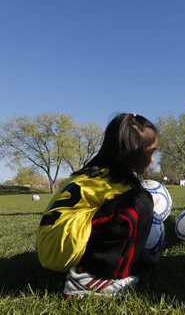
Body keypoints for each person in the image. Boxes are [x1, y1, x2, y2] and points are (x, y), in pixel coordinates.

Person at [36, 113, 160, 297]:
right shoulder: (117, 183)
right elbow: (122, 231)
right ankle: (91, 279)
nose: (153, 159)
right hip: (70, 249)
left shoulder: (86, 175)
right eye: (151, 152)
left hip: (47, 250)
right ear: (132, 152)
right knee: (140, 202)